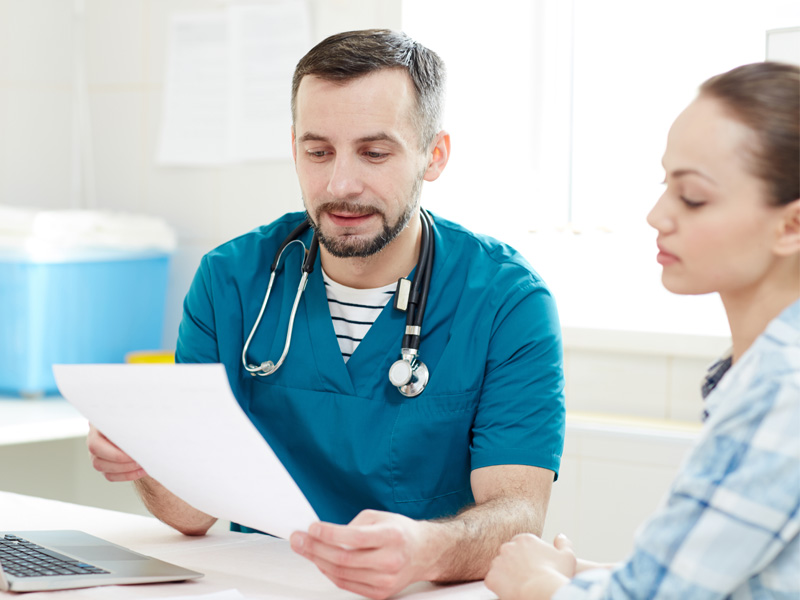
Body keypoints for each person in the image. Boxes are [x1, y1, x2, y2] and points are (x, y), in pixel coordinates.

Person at [87, 29, 565, 599]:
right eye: (318, 152)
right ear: (294, 148)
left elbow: (516, 514)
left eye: (374, 152)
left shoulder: (506, 301)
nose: (340, 184)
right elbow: (191, 513)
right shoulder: (231, 281)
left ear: (432, 155)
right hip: (261, 586)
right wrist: (149, 455)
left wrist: (424, 550)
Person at [484, 61, 800, 600]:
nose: (657, 215)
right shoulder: (756, 372)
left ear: (790, 226)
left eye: (693, 197)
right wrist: (578, 572)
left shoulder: (781, 391)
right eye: (665, 185)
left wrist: (535, 585)